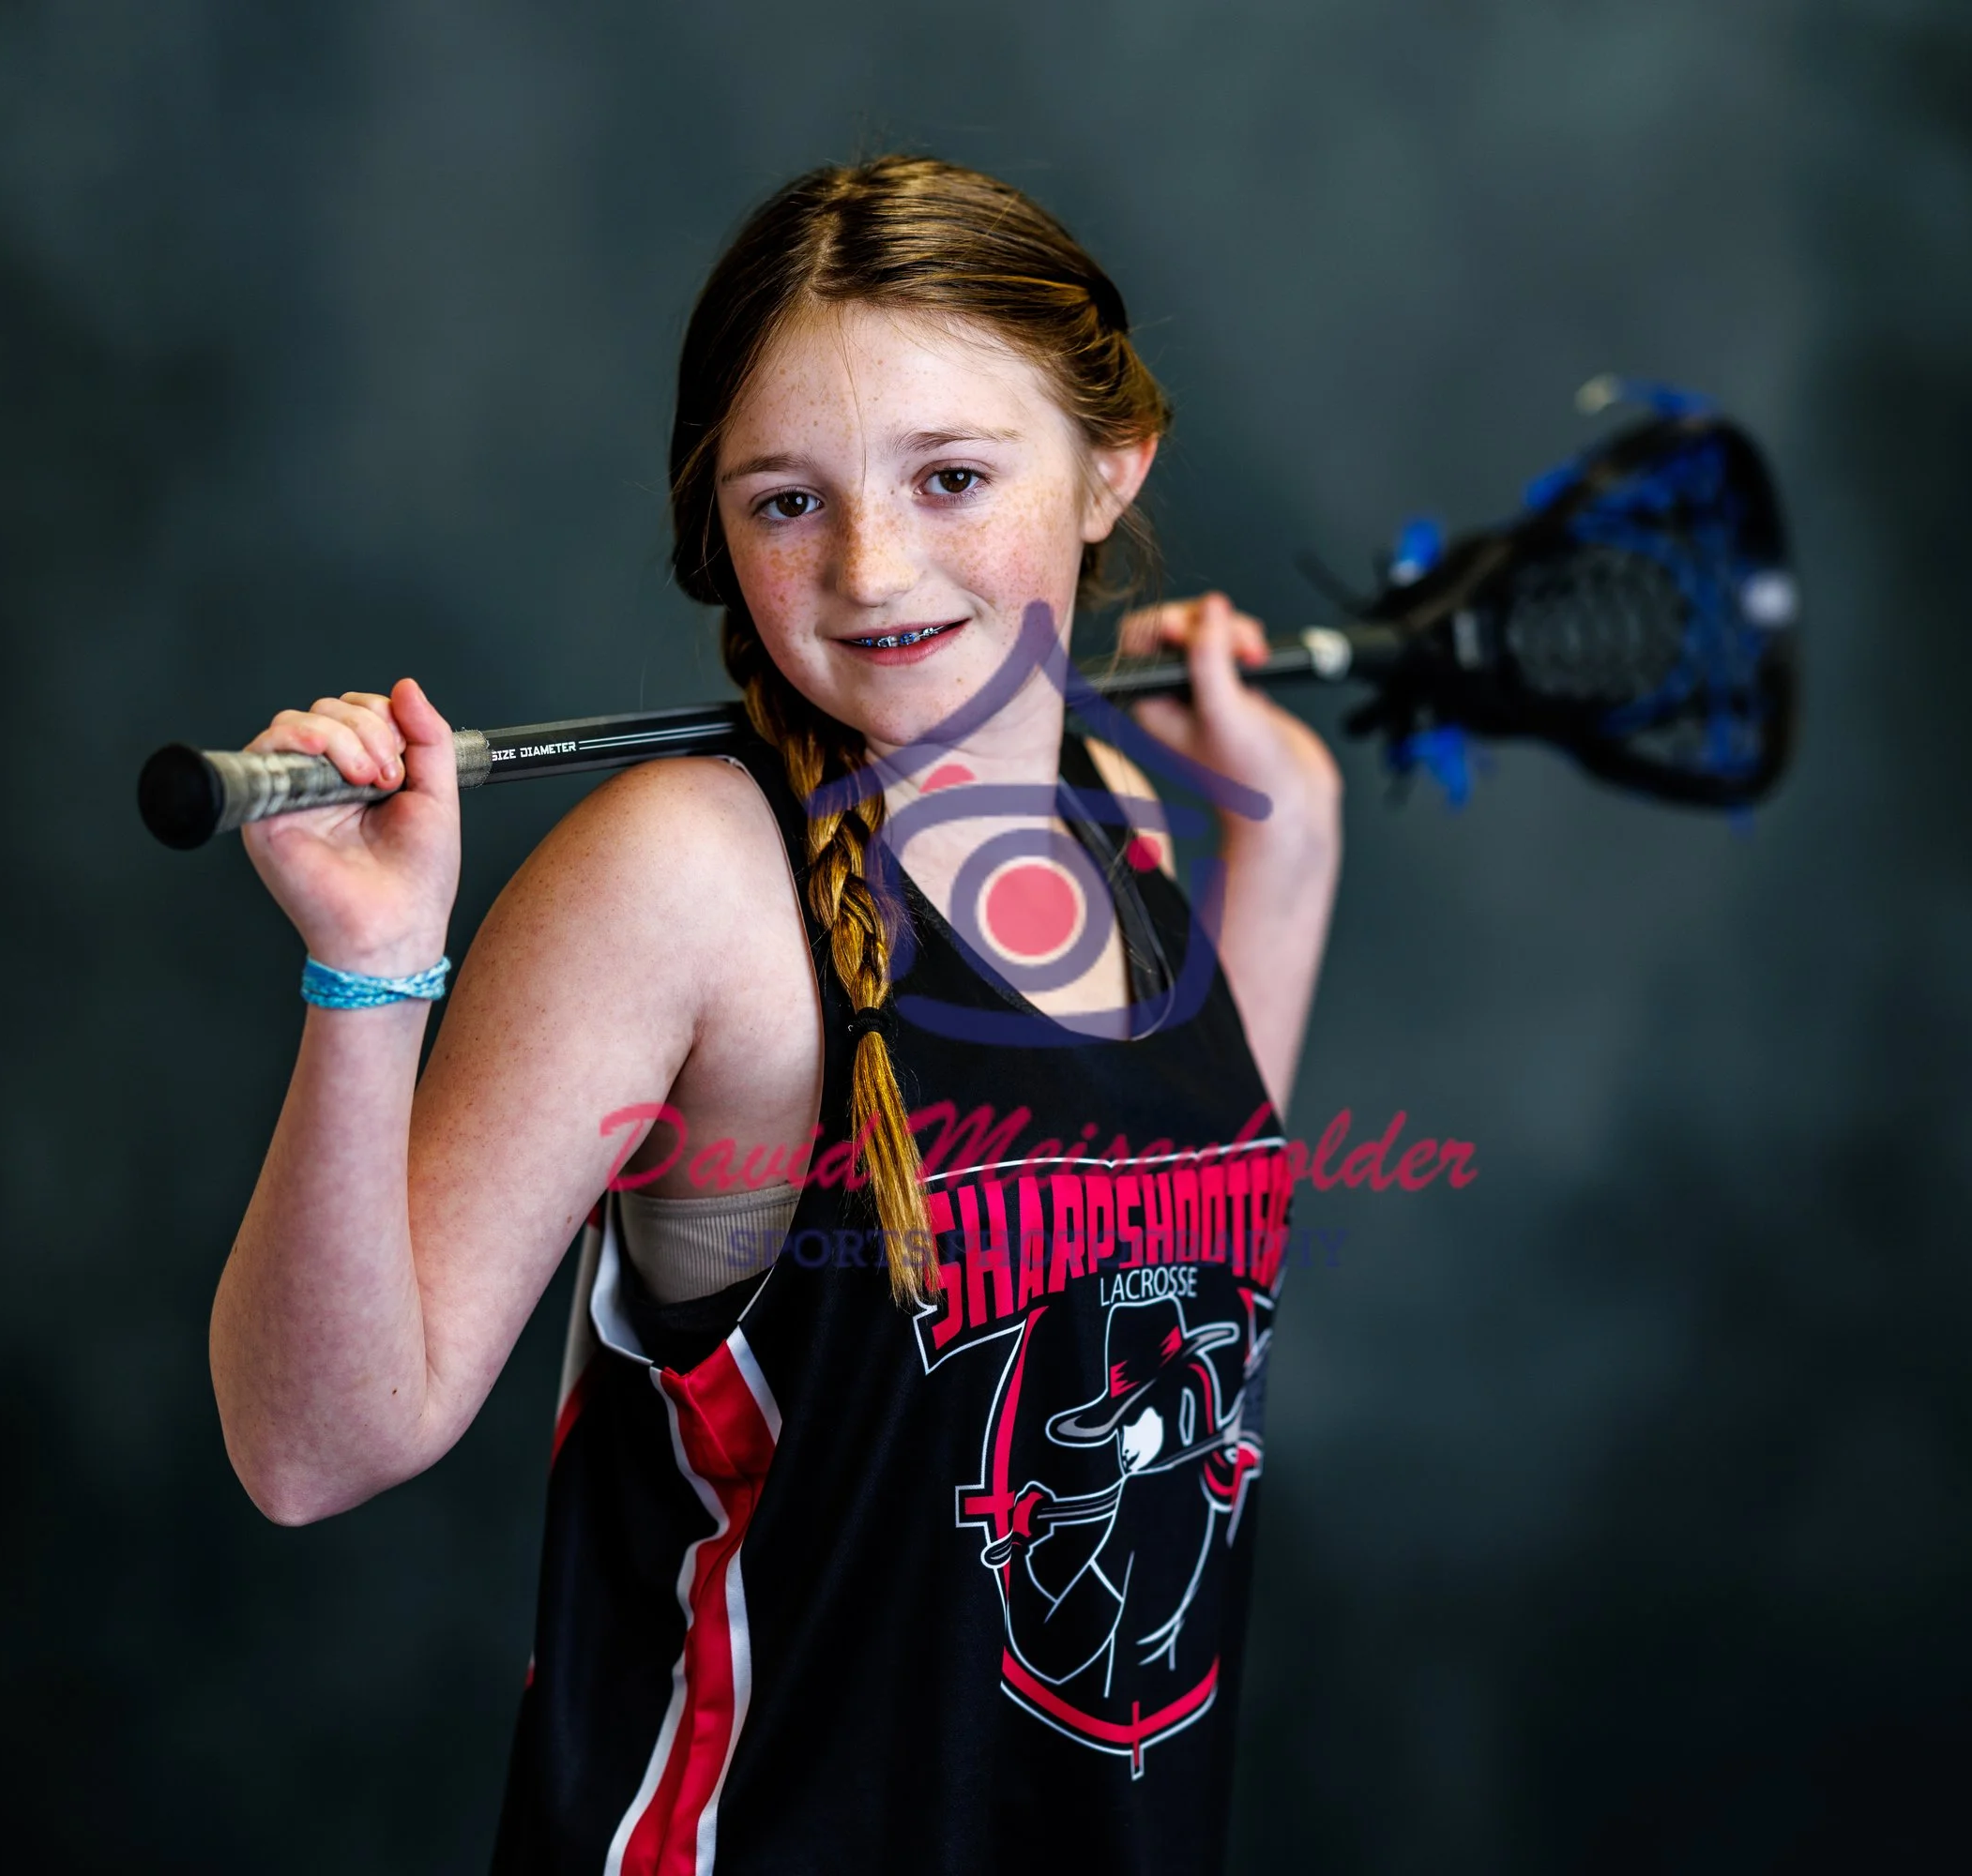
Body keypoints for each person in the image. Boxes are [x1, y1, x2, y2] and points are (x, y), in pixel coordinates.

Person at [211, 154, 1343, 1874]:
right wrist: (371, 970)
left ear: (1113, 465)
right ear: (716, 526)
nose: (874, 571)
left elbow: (1193, 1262)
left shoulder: (1125, 810)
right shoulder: (687, 877)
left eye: (953, 477)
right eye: (787, 502)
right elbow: (312, 1450)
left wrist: (1293, 839)